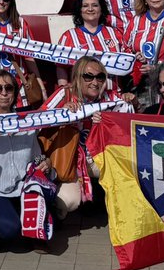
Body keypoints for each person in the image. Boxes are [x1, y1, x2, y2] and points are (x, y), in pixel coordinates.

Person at [0, 69, 52, 244]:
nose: (4, 93)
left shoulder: (25, 120)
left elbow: (36, 157)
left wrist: (46, 162)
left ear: (15, 93)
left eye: (9, 88)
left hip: (22, 188)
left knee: (49, 218)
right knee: (10, 229)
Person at [46, 56, 117, 217]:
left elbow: (127, 117)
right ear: (77, 77)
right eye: (88, 76)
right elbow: (39, 122)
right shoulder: (64, 94)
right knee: (69, 201)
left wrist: (132, 101)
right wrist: (61, 113)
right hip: (68, 162)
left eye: (100, 77)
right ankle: (53, 214)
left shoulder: (109, 98)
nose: (95, 82)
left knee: (127, 171)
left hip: (96, 159)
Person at [56, 0, 129, 95]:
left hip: (114, 96)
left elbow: (127, 61)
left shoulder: (114, 33)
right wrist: (64, 93)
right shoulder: (69, 36)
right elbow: (61, 67)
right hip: (83, 99)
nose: (90, 9)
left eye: (95, 5)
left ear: (101, 9)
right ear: (79, 10)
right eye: (85, 6)